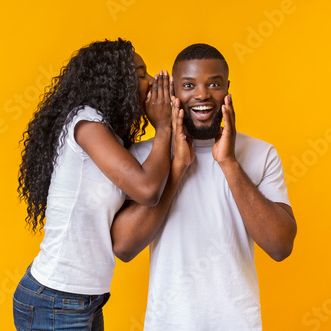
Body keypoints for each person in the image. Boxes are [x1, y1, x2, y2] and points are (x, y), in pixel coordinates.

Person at [111, 43, 297, 330]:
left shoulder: (261, 153)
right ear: (172, 91)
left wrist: (229, 163)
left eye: (214, 83)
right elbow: (123, 247)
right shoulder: (144, 158)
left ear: (227, 89)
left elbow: (280, 246)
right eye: (188, 85)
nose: (201, 94)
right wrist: (177, 169)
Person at [13, 38, 173, 331]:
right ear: (115, 82)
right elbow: (148, 190)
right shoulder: (86, 122)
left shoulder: (110, 137)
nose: (151, 82)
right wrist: (163, 128)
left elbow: (151, 174)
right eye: (139, 74)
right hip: (55, 299)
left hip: (83, 299)